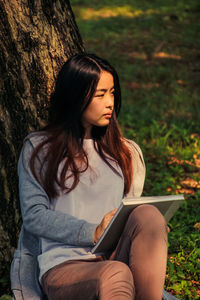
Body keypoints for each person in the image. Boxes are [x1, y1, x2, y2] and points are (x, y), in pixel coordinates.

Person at [10, 53, 168, 300]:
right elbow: (34, 217)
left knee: (148, 215)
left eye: (113, 92)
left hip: (113, 258)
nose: (110, 103)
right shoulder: (40, 148)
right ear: (76, 97)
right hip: (64, 267)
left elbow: (127, 212)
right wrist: (92, 231)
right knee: (115, 273)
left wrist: (151, 231)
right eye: (100, 94)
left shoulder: (126, 152)